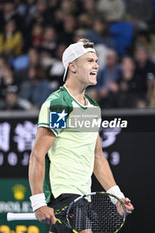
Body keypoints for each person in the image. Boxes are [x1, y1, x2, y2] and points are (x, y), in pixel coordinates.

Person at [28, 39, 134, 232]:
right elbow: (38, 153)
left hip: (82, 198)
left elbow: (98, 157)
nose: (96, 65)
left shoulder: (92, 108)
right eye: (89, 60)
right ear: (72, 66)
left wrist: (116, 196)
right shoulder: (60, 103)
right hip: (66, 197)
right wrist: (38, 202)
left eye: (96, 60)